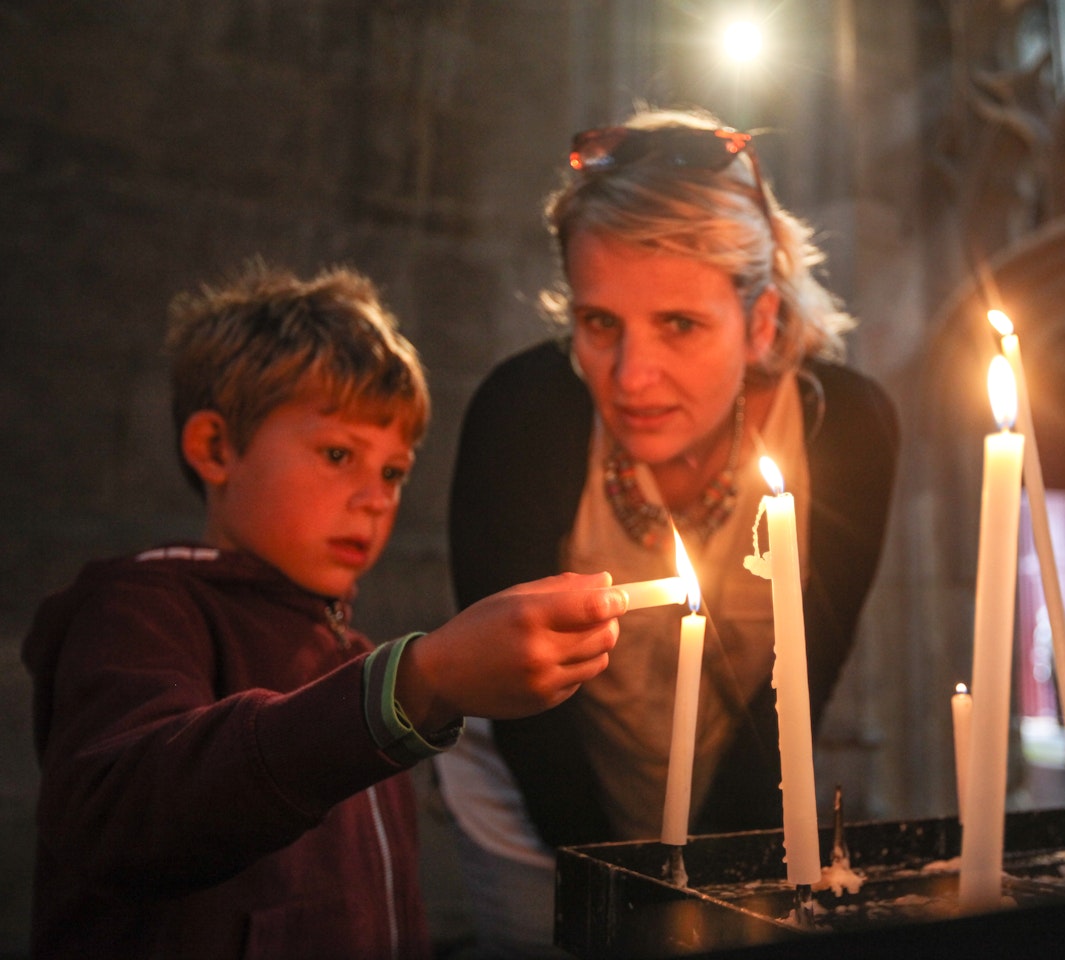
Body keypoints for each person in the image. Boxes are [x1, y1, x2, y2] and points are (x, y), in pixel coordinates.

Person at [21, 262, 627, 960]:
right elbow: (118, 816)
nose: (375, 498)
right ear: (216, 447)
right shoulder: (141, 607)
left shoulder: (353, 660)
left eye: (393, 472)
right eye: (339, 453)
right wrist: (418, 683)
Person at [437, 107, 899, 955]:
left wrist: (712, 883)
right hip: (536, 822)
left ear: (759, 322)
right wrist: (616, 890)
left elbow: (791, 696)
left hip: (732, 816)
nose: (630, 377)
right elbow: (529, 719)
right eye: (599, 322)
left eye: (679, 325)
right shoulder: (524, 412)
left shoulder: (846, 430)